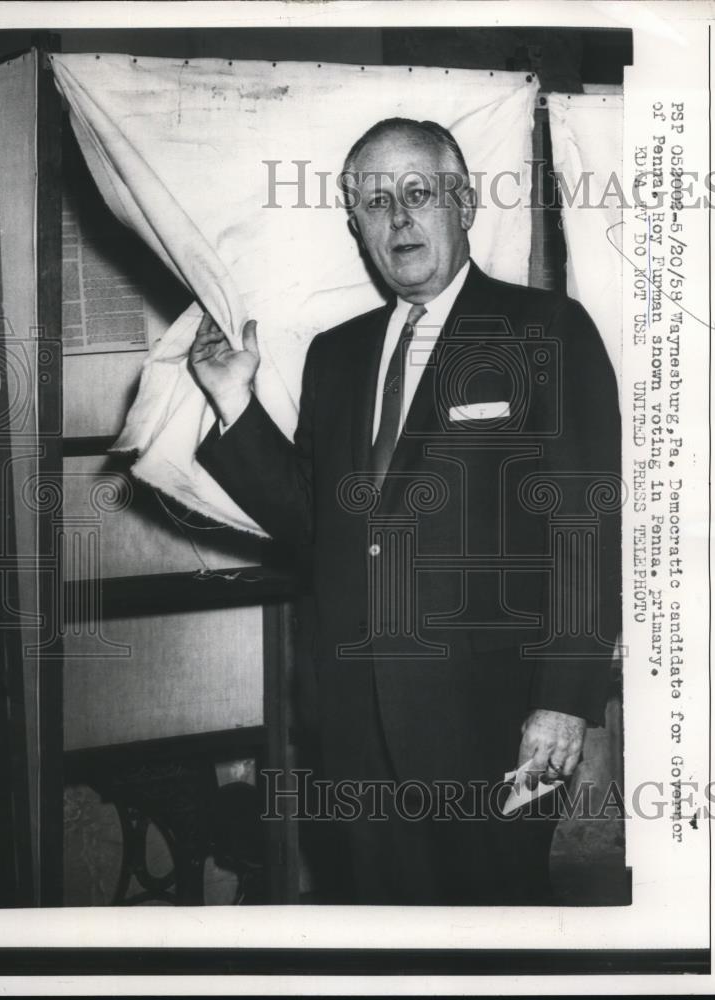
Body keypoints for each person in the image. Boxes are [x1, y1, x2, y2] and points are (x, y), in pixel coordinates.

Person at [191, 118, 621, 905]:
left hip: (497, 726)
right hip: (356, 729)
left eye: (418, 194)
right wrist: (234, 405)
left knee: (494, 943)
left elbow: (585, 529)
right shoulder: (337, 354)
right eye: (374, 201)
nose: (398, 218)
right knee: (386, 945)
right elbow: (315, 525)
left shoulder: (545, 331)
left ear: (463, 203)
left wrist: (563, 699)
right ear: (354, 224)